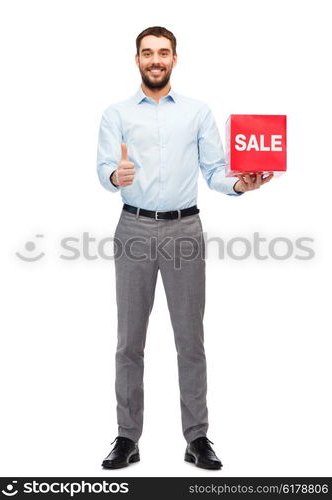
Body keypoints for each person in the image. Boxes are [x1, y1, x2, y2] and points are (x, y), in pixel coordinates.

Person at [97, 26, 273, 470]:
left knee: (190, 340)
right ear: (136, 59)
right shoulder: (116, 114)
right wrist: (117, 177)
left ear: (175, 59)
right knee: (128, 342)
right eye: (147, 53)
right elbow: (103, 169)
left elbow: (215, 170)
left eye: (163, 52)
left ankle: (197, 439)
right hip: (133, 229)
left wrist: (239, 183)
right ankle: (126, 437)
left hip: (185, 231)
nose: (155, 59)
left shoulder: (197, 112)